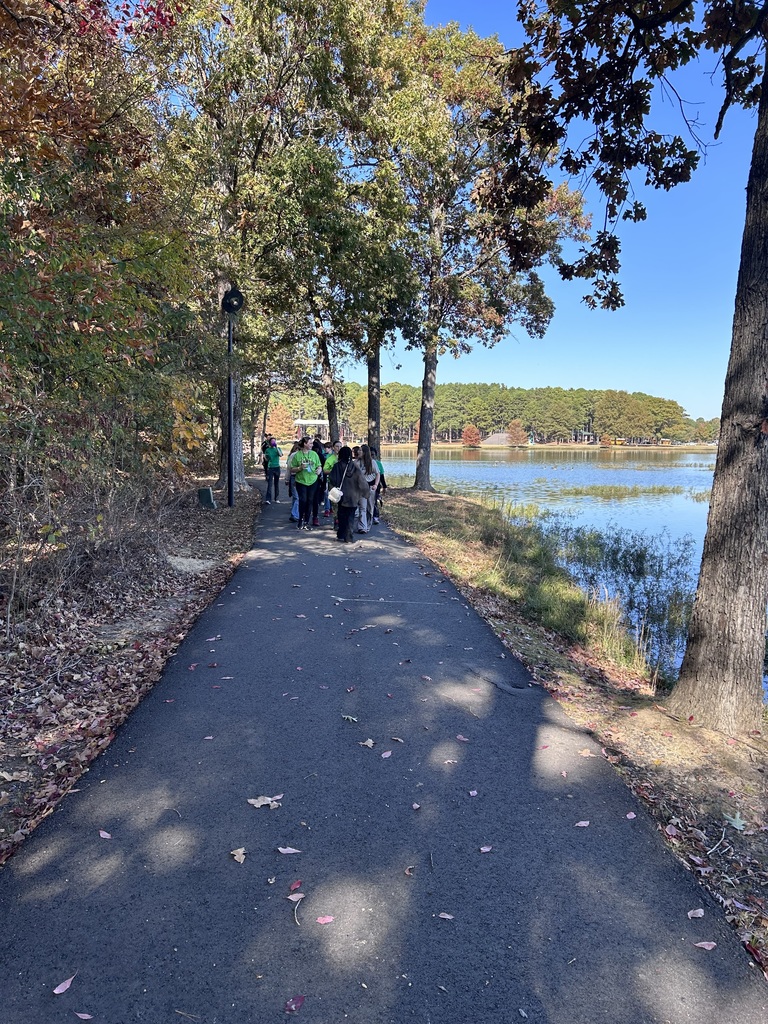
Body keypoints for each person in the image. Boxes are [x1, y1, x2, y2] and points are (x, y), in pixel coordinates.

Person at [327, 447, 369, 542]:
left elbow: (332, 480)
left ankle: (341, 533)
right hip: (354, 495)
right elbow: (362, 481)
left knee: (341, 514)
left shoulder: (337, 466)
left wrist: (331, 490)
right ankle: (349, 536)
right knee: (351, 515)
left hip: (341, 495)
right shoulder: (355, 467)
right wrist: (366, 493)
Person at [288, 436, 322, 530]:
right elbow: (291, 469)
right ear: (304, 444)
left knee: (310, 501)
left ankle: (307, 521)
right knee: (303, 500)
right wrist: (299, 468)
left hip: (313, 480)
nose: (312, 445)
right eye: (310, 443)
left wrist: (319, 470)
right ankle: (300, 520)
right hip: (301, 481)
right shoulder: (297, 455)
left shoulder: (314, 454)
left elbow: (319, 465)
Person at [356, 444, 380, 534]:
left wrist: (376, 485)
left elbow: (378, 474)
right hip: (361, 488)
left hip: (370, 486)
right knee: (362, 507)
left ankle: (368, 525)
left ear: (365, 452)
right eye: (358, 450)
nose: (358, 452)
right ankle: (362, 527)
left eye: (360, 450)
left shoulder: (372, 462)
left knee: (370, 508)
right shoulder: (356, 462)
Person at [262, 436, 282, 504]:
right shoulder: (267, 450)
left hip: (277, 467)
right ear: (270, 443)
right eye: (272, 441)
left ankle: (277, 498)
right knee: (270, 484)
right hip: (270, 467)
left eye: (274, 441)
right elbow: (267, 459)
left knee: (276, 483)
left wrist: (276, 447)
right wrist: (265, 457)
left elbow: (280, 455)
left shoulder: (278, 449)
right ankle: (268, 499)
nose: (273, 442)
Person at [370, 446, 386, 523]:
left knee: (374, 500)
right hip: (366, 485)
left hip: (376, 485)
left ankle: (375, 516)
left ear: (375, 455)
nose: (371, 456)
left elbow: (382, 476)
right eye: (369, 455)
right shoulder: (364, 463)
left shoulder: (378, 464)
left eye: (373, 455)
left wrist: (384, 487)